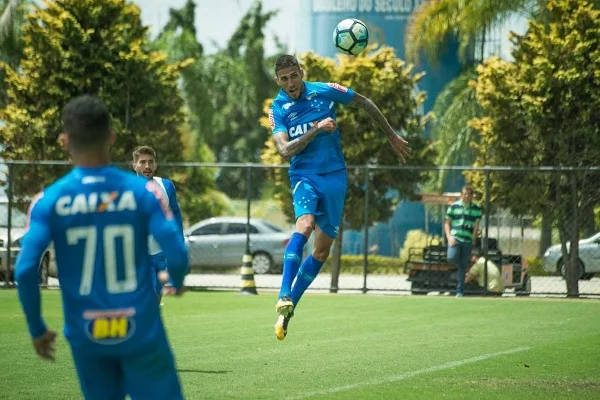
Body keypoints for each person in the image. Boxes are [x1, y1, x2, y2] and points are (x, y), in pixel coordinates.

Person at [15, 95, 189, 400]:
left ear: (64, 141)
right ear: (111, 137)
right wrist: (176, 278)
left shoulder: (48, 201)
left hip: (87, 335)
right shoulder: (144, 192)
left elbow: (27, 269)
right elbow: (177, 250)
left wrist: (37, 328)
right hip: (141, 332)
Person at [268, 54, 411, 340]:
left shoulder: (324, 90)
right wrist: (316, 129)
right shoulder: (278, 107)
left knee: (321, 251)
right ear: (278, 81)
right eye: (284, 79)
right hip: (304, 176)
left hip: (334, 176)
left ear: (301, 72)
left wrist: (391, 135)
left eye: (294, 75)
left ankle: (291, 304)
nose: (290, 83)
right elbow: (284, 151)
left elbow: (365, 102)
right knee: (305, 226)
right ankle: (283, 293)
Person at [132, 145, 184, 306]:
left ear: (156, 165)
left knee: (157, 295)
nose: (147, 166)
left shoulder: (166, 186)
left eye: (150, 162)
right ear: (134, 165)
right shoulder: (126, 188)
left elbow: (175, 216)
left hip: (161, 254)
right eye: (142, 162)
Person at [445, 184, 482, 297]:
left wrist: (474, 238)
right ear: (461, 195)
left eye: (469, 194)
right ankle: (456, 264)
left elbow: (476, 225)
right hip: (455, 238)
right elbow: (447, 223)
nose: (467, 196)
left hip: (467, 240)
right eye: (465, 194)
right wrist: (449, 237)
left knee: (463, 266)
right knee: (451, 258)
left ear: (472, 196)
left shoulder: (476, 208)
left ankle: (459, 291)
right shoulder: (453, 207)